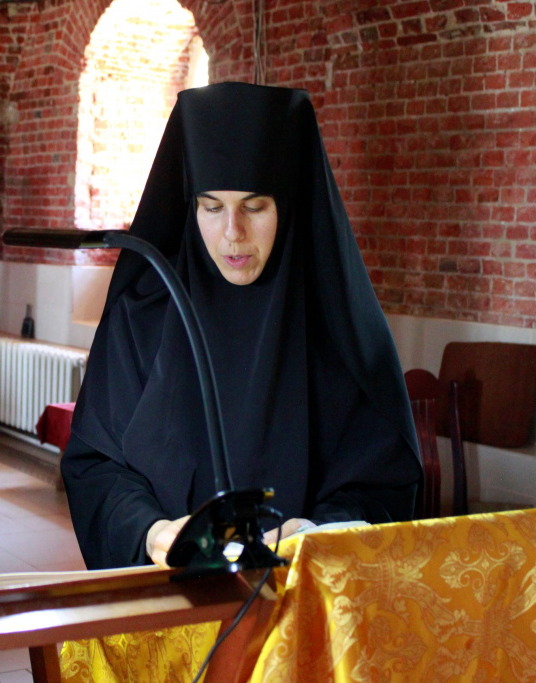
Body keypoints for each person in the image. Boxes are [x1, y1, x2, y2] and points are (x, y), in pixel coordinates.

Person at [60, 82, 423, 570]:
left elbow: (383, 484)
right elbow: (96, 464)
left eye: (254, 206)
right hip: (165, 591)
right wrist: (150, 531)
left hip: (298, 595)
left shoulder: (339, 330)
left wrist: (318, 532)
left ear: (289, 204)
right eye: (212, 207)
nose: (233, 232)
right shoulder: (143, 316)